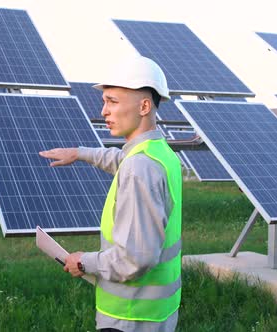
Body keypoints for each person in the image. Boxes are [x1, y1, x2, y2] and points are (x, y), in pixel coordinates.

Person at [39, 56, 182, 332]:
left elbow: (136, 258)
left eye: (113, 101)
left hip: (129, 317)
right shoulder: (160, 154)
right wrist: (80, 153)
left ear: (144, 106)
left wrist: (82, 261)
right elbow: (121, 159)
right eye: (104, 101)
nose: (104, 111)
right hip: (156, 312)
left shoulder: (140, 168)